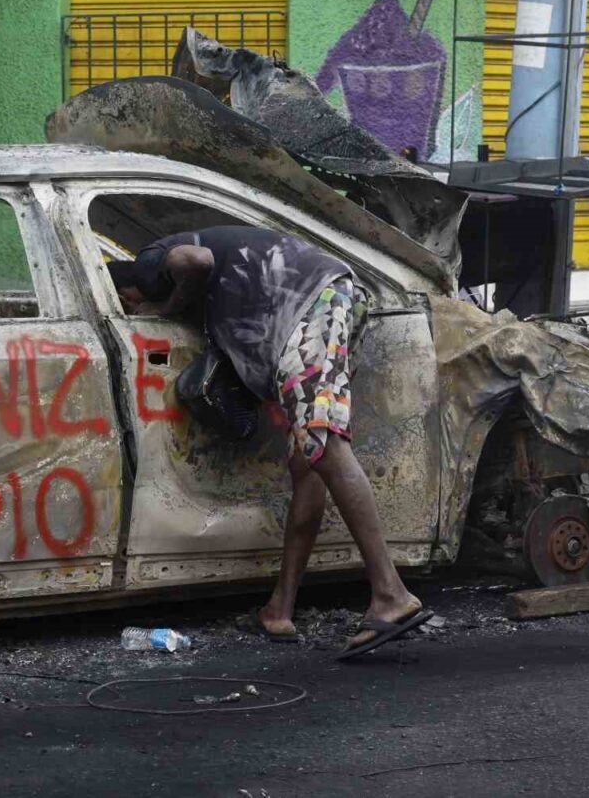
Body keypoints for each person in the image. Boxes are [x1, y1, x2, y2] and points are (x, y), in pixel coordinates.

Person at [110, 226, 430, 657]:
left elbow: (195, 262)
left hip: (310, 305)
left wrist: (162, 307)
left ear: (126, 291)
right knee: (308, 463)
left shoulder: (149, 264)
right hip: (330, 300)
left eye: (126, 303)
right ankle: (280, 609)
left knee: (325, 445)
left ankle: (391, 593)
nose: (131, 308)